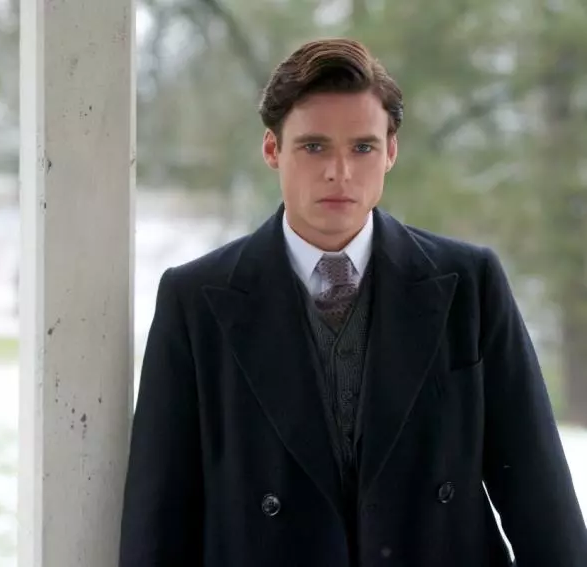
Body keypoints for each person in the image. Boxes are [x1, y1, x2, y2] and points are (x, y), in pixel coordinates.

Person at [119, 37, 587, 567]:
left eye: (362, 148)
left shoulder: (469, 284)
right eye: (314, 146)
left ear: (391, 152)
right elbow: (159, 516)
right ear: (272, 150)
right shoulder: (194, 301)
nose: (339, 172)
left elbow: (537, 489)